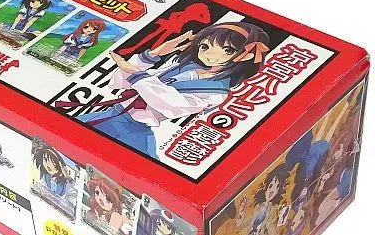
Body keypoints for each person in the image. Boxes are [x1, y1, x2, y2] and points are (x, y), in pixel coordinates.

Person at [73, 22, 269, 158]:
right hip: (111, 113)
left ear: (245, 56)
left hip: (135, 129)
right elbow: (121, 83)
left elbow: (171, 105)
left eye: (227, 50)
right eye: (205, 46)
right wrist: (154, 54)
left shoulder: (216, 92)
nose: (210, 55)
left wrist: (135, 72)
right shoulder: (183, 64)